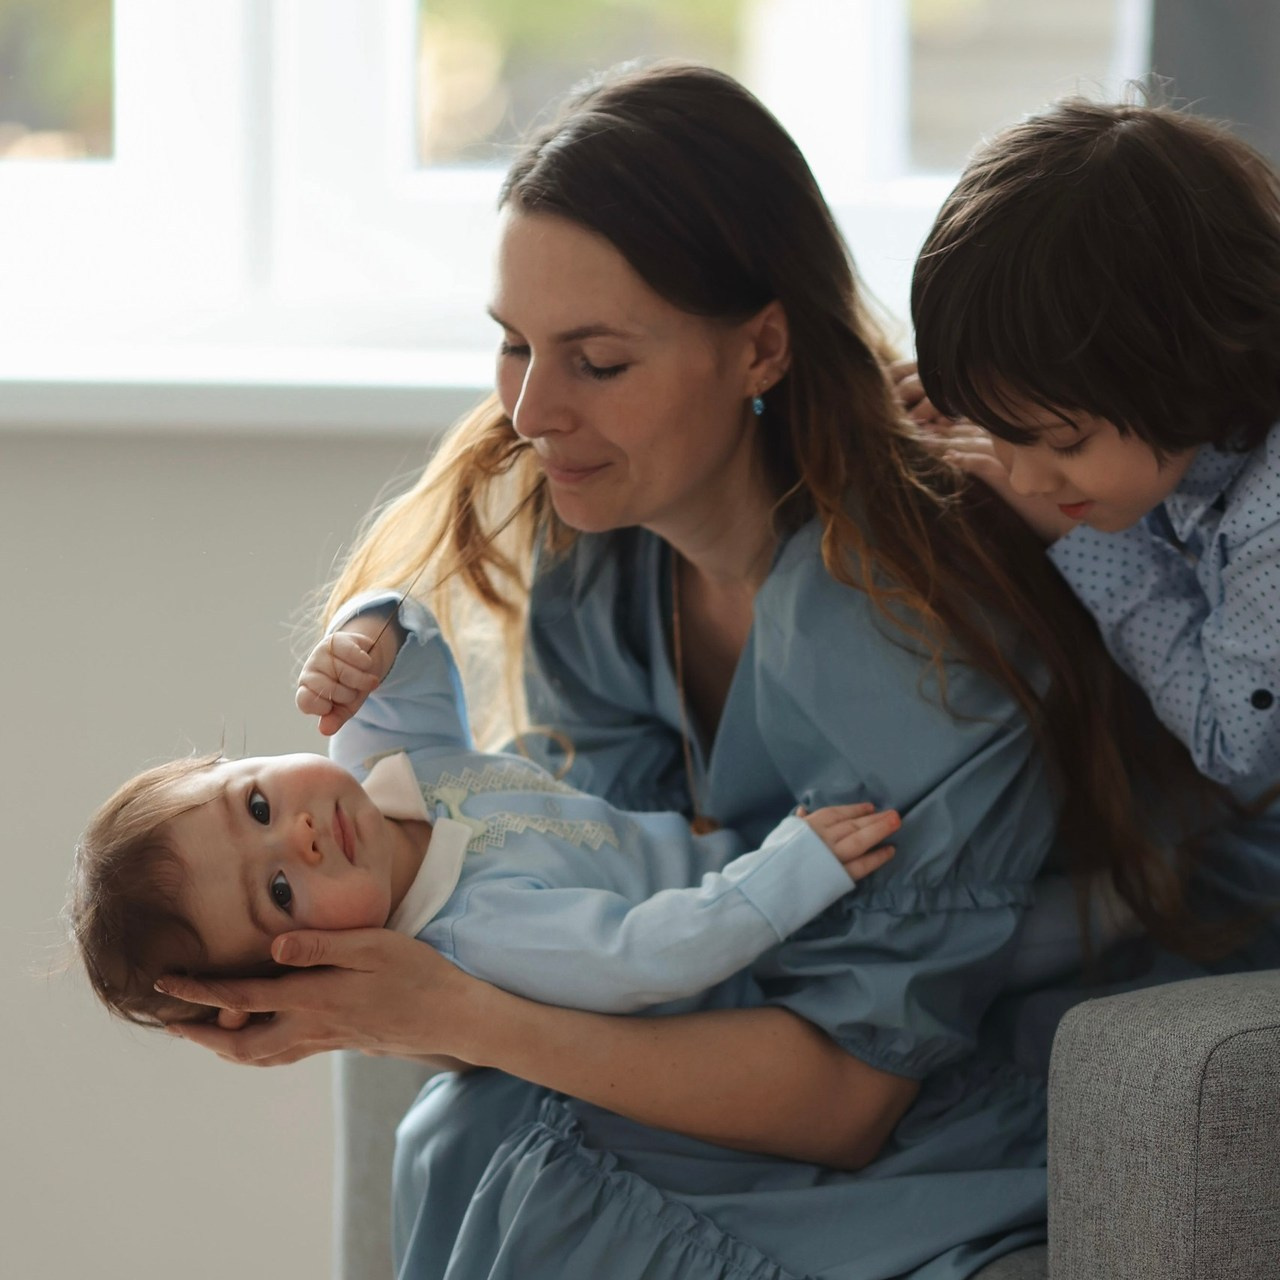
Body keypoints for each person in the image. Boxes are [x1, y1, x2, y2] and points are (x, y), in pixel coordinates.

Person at [156, 64, 1231, 1280]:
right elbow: (590, 911)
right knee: (473, 1126)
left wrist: (443, 1010)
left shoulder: (901, 639)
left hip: (965, 1063)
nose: (528, 411)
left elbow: (848, 1095)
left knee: (502, 1139)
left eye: (597, 361)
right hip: (745, 1023)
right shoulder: (595, 568)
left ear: (759, 346)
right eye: (513, 345)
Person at [70, 594, 897, 1030]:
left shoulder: (378, 758)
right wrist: (790, 874)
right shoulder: (474, 934)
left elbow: (417, 647)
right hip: (778, 943)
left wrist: (364, 635)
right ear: (309, 962)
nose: (303, 833)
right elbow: (648, 958)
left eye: (255, 805)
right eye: (280, 891)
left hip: (743, 841)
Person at [909, 98, 1280, 799]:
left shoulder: (1270, 527)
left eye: (1064, 442)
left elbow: (1237, 750)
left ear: (1194, 368)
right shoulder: (1181, 425)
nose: (1022, 479)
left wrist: (1084, 539)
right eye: (993, 428)